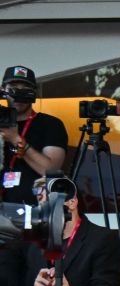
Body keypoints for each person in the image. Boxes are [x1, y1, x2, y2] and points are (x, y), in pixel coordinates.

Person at [0, 66, 68, 206]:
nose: (19, 93)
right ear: (3, 90)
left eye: (25, 88)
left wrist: (15, 139)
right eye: (13, 88)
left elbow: (51, 171)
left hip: (35, 210)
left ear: (34, 93)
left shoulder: (50, 124)